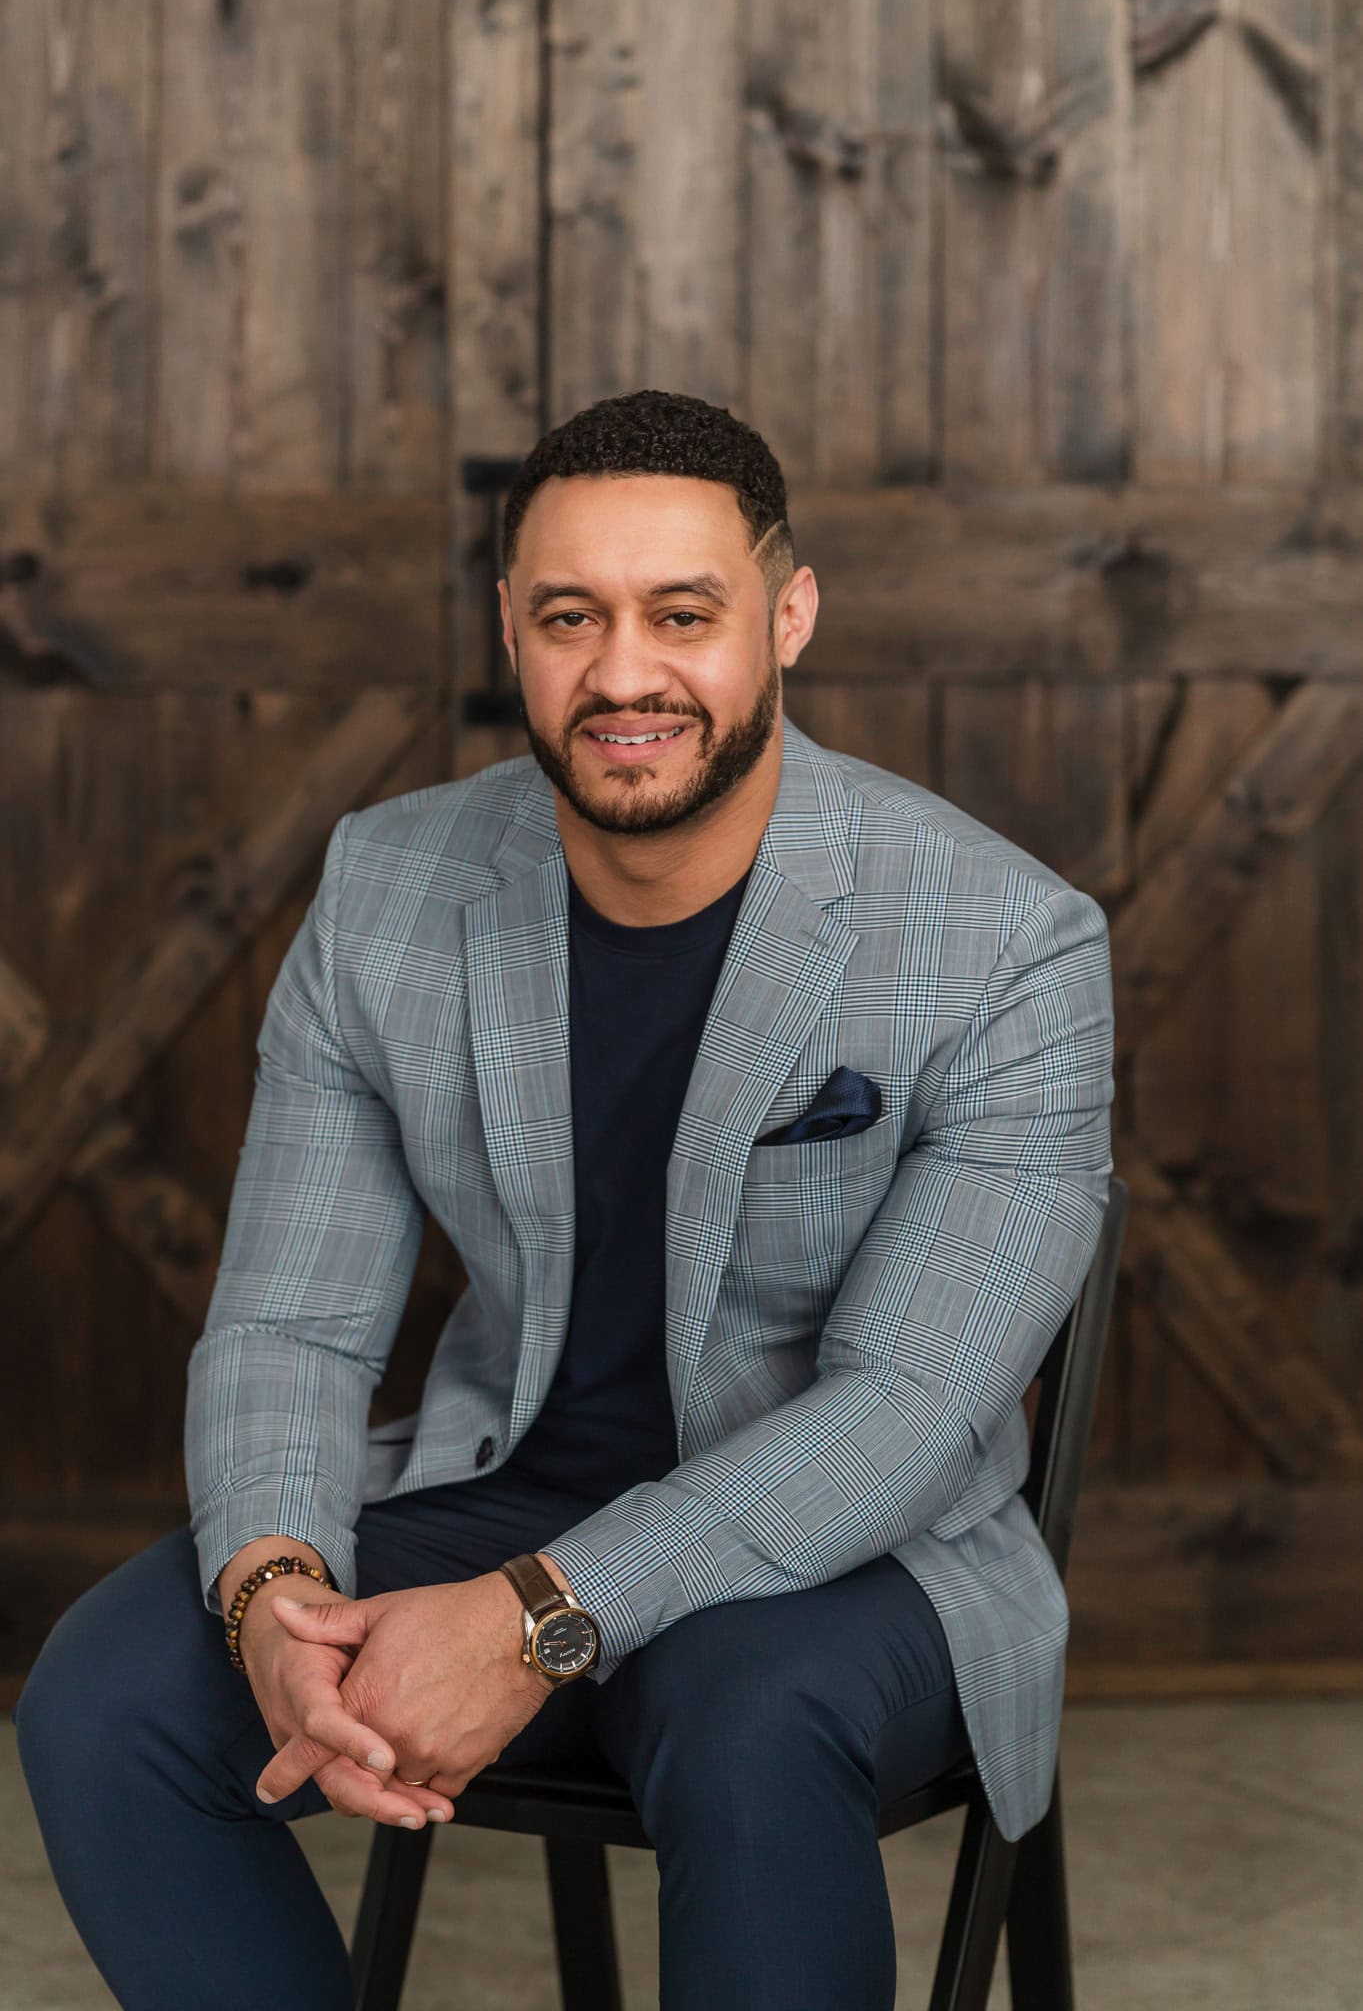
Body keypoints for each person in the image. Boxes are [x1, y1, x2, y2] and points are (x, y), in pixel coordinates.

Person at [15, 388, 1114, 2010]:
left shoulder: (1006, 943)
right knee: (104, 1699)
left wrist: (535, 1621)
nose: (622, 675)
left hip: (853, 1560)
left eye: (684, 614)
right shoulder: (390, 887)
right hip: (504, 1486)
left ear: (788, 616)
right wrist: (273, 1596)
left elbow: (906, 1411)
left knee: (748, 1725)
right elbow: (289, 1323)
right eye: (568, 617)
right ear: (510, 629)